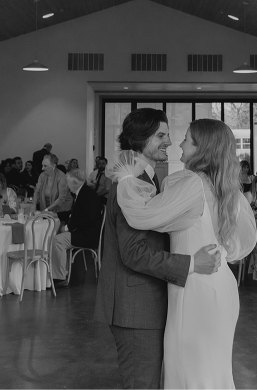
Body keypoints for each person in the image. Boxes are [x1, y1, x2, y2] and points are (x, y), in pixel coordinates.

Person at [108, 118, 257, 388]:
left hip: (197, 288)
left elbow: (142, 215)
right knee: (209, 372)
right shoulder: (221, 184)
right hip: (215, 285)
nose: (178, 142)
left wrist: (127, 177)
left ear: (202, 148)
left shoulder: (191, 184)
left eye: (186, 139)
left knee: (193, 373)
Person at [94, 108, 223, 389]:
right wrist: (191, 263)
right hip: (135, 305)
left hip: (144, 300)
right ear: (140, 139)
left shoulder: (146, 178)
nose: (169, 141)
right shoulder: (131, 183)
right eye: (161, 135)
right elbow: (133, 253)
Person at [51, 169, 104, 283]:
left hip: (88, 235)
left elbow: (87, 219)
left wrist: (68, 227)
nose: (66, 185)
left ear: (74, 183)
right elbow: (74, 213)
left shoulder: (87, 195)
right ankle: (58, 272)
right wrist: (56, 214)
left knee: (57, 240)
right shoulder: (83, 192)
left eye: (68, 182)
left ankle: (59, 277)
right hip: (85, 232)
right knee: (57, 236)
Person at [33, 153, 72, 225]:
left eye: (45, 166)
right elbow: (37, 192)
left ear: (53, 166)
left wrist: (46, 210)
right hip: (47, 211)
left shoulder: (61, 177)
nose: (42, 168)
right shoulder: (42, 175)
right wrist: (33, 206)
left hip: (61, 211)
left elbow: (61, 198)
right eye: (42, 165)